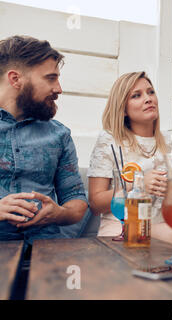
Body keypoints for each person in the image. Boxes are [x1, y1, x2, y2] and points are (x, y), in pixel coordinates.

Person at [0, 35, 88, 245]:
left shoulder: (60, 135)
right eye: (50, 78)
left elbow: (76, 201)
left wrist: (58, 213)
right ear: (15, 79)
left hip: (47, 251)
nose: (58, 89)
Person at [87, 71, 172, 244]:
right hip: (121, 227)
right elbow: (95, 203)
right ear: (123, 109)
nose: (148, 98)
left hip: (159, 228)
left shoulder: (170, 142)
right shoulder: (110, 140)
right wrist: (140, 183)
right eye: (136, 96)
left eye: (150, 92)